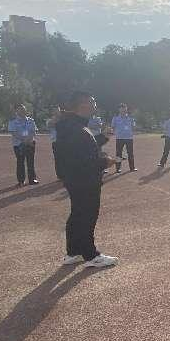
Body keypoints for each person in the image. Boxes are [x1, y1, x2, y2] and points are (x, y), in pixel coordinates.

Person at [56, 91, 118, 268]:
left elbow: (84, 147)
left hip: (75, 178)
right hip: (84, 180)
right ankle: (91, 255)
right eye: (92, 101)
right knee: (87, 216)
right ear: (83, 105)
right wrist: (106, 161)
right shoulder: (77, 128)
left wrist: (103, 137)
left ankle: (73, 251)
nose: (95, 105)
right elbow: (85, 160)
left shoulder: (72, 125)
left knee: (77, 214)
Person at [8, 104, 39, 185]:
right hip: (18, 145)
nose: (22, 111)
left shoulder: (31, 120)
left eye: (24, 109)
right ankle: (21, 181)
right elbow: (14, 133)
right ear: (16, 111)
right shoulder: (13, 121)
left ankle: (32, 179)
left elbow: (33, 131)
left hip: (30, 143)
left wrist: (28, 140)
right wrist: (23, 140)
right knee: (20, 162)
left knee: (30, 162)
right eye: (20, 109)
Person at [111, 103, 136, 172]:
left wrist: (131, 131)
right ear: (119, 110)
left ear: (126, 109)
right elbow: (112, 127)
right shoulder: (115, 118)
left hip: (129, 138)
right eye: (122, 109)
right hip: (119, 138)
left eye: (125, 109)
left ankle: (132, 168)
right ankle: (118, 168)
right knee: (118, 153)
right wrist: (114, 132)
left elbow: (133, 126)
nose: (123, 111)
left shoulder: (131, 118)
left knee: (130, 153)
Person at [47, 105, 62, 180]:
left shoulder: (64, 119)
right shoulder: (50, 120)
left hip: (65, 141)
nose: (56, 112)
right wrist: (56, 119)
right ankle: (59, 175)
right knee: (58, 159)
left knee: (66, 158)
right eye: (54, 111)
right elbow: (51, 124)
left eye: (57, 110)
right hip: (56, 141)